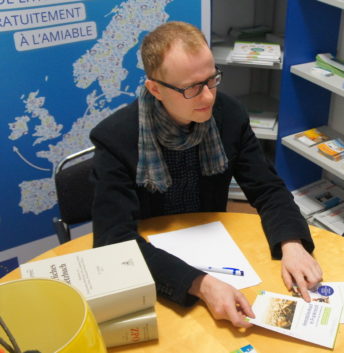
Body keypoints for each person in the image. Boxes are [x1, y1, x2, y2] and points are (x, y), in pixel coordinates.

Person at [90, 21, 322, 328]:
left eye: (212, 80)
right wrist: (200, 284)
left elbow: (267, 187)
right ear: (155, 88)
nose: (208, 97)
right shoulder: (116, 137)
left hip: (215, 249)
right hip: (155, 266)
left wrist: (291, 242)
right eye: (191, 88)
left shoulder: (229, 114)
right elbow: (113, 240)